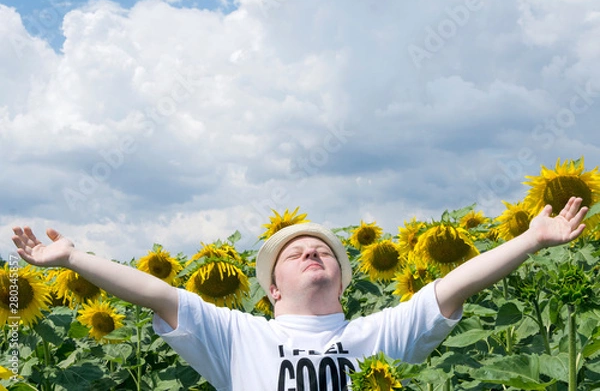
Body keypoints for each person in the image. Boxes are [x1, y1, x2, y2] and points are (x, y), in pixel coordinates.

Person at [11, 197, 588, 391]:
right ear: (271, 289)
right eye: (296, 253)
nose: (313, 254)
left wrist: (532, 239)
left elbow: (454, 284)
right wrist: (72, 259)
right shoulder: (239, 338)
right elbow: (159, 295)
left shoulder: (375, 336)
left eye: (325, 254)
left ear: (341, 280)